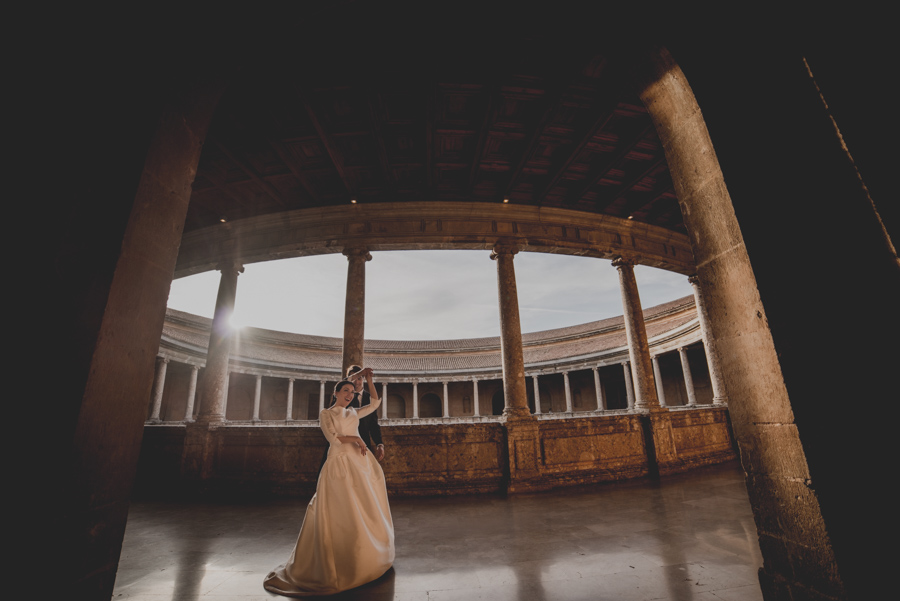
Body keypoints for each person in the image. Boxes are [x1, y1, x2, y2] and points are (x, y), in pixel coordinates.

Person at [264, 368, 394, 597]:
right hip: (338, 465)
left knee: (363, 508)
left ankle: (364, 557)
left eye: (352, 392)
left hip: (360, 464)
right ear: (336, 392)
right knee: (339, 510)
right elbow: (333, 439)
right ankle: (336, 563)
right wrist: (355, 438)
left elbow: (375, 403)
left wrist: (371, 379)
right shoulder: (326, 413)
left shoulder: (354, 413)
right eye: (345, 390)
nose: (350, 395)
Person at [346, 364, 386, 461]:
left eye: (359, 378)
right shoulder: (343, 397)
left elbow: (373, 424)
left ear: (363, 379)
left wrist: (379, 444)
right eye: (353, 379)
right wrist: (360, 373)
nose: (356, 382)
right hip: (346, 445)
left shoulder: (369, 398)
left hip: (364, 445)